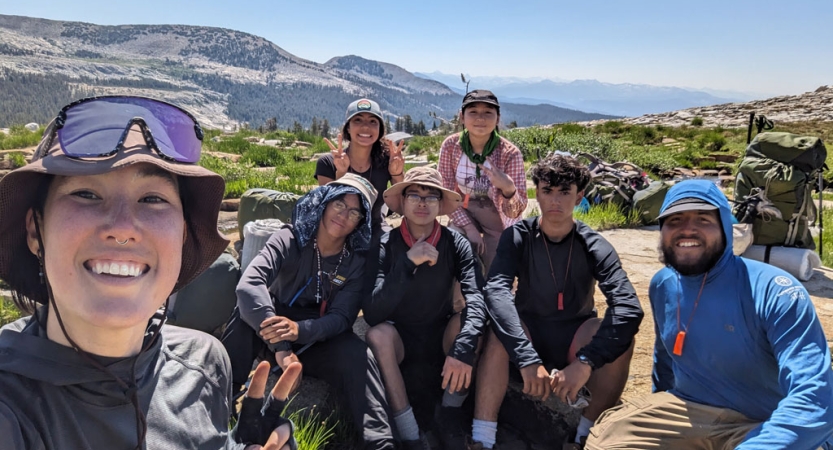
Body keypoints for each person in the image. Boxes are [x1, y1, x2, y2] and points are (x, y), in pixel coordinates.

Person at [0, 95, 299, 449]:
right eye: (86, 193)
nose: (123, 227)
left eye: (153, 199)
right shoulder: (11, 405)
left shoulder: (203, 361)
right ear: (36, 230)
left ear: (182, 236)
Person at [586, 180, 833, 450]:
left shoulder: (773, 291)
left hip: (765, 421)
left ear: (725, 228)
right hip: (692, 410)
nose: (687, 229)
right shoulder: (663, 284)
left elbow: (815, 395)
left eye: (703, 219)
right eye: (675, 220)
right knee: (606, 439)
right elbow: (665, 362)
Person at [470, 154, 644, 450]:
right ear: (536, 193)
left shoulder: (593, 244)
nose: (555, 201)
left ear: (579, 196)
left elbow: (628, 307)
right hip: (527, 333)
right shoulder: (519, 236)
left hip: (575, 336)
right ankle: (482, 436)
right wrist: (526, 357)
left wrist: (586, 362)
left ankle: (584, 436)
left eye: (565, 192)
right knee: (498, 329)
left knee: (621, 338)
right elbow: (496, 291)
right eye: (548, 191)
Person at [221, 173, 396, 450]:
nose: (344, 215)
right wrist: (281, 345)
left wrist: (300, 331)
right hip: (272, 327)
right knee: (242, 319)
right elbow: (249, 285)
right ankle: (217, 409)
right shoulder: (289, 238)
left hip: (319, 336)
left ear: (360, 223)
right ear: (324, 203)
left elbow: (342, 317)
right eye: (339, 204)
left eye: (354, 212)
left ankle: (379, 441)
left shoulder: (355, 261)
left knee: (357, 354)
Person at [363, 167, 488, 449]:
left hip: (442, 333)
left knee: (472, 325)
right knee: (378, 335)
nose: (422, 203)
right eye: (414, 196)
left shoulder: (456, 243)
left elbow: (476, 297)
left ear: (440, 205)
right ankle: (408, 432)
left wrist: (463, 347)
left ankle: (449, 414)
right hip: (400, 338)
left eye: (431, 197)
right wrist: (407, 263)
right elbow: (372, 312)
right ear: (402, 202)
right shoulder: (384, 245)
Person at [438, 89, 527, 273]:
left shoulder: (509, 154)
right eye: (473, 112)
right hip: (463, 208)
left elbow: (516, 211)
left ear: (497, 118)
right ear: (462, 117)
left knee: (497, 266)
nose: (481, 118)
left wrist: (509, 189)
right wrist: (469, 228)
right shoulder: (451, 146)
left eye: (488, 112)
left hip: (497, 215)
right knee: (454, 249)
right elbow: (445, 192)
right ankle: (460, 299)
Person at [316, 98, 405, 232]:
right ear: (348, 128)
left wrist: (396, 173)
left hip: (375, 227)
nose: (365, 127)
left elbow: (403, 203)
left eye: (372, 121)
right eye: (358, 120)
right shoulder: (328, 162)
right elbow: (329, 208)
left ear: (380, 130)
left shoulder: (386, 161)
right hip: (338, 229)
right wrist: (341, 174)